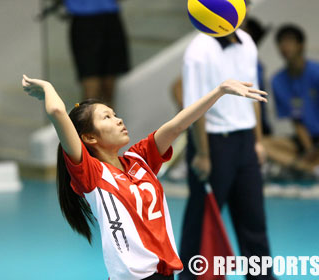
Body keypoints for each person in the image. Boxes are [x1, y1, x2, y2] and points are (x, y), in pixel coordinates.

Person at [21, 75, 267, 280]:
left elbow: (177, 125)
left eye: (115, 114)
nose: (118, 120)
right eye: (106, 117)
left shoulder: (139, 159)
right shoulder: (91, 174)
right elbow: (56, 110)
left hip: (165, 272)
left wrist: (219, 91)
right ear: (89, 138)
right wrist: (47, 88)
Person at [179, 27, 276, 280]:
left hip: (245, 141)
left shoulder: (246, 41)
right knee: (201, 219)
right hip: (213, 143)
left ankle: (262, 277)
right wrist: (202, 153)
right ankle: (190, 277)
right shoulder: (198, 51)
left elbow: (252, 94)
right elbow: (194, 106)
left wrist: (258, 141)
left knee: (254, 219)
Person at [265, 24, 319, 177]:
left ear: (301, 45)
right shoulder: (277, 81)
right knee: (262, 144)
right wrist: (310, 150)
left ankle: (316, 166)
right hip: (305, 140)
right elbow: (297, 121)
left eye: (289, 41)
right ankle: (313, 169)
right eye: (281, 43)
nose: (284, 47)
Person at [39, 0, 130, 107]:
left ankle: (103, 121)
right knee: (91, 91)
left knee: (108, 89)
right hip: (84, 21)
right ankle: (86, 121)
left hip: (110, 19)